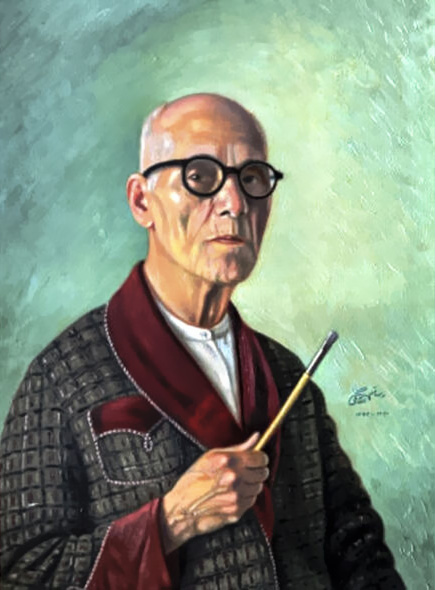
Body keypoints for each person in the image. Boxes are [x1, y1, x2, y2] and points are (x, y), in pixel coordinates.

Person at [0, 93, 405, 590]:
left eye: (252, 178)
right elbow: (20, 571)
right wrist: (170, 522)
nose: (235, 203)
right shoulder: (61, 377)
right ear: (141, 201)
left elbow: (360, 554)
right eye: (200, 175)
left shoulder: (289, 378)